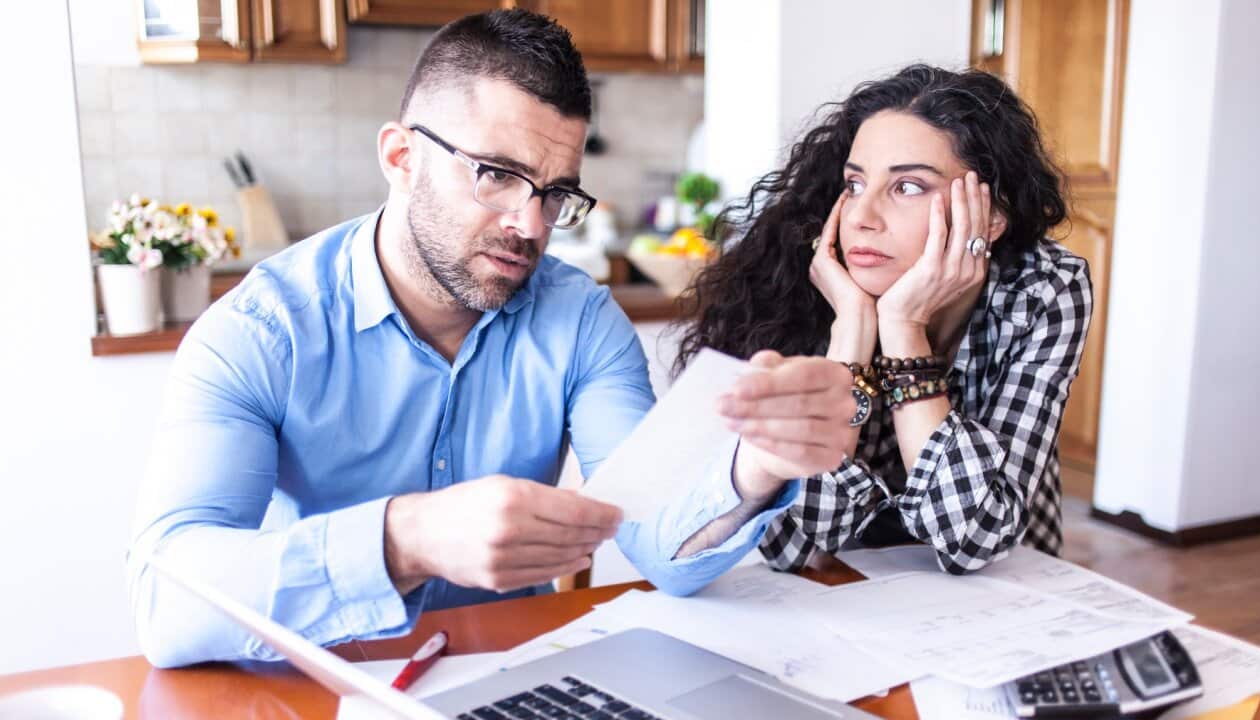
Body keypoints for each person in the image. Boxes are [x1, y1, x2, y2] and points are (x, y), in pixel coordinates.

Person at [127, 9, 856, 668]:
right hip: (317, 691)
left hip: (513, 682)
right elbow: (169, 604)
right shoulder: (261, 332)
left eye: (555, 192)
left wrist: (756, 465)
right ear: (400, 158)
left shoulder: (579, 321)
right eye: (497, 175)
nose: (531, 224)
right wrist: (404, 539)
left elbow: (659, 545)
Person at [678, 64, 1093, 575]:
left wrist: (903, 327)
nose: (860, 217)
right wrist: (851, 330)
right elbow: (793, 546)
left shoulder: (1045, 287)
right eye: (854, 184)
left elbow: (973, 538)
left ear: (989, 218)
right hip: (848, 581)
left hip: (1001, 584)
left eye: (908, 187)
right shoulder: (792, 292)